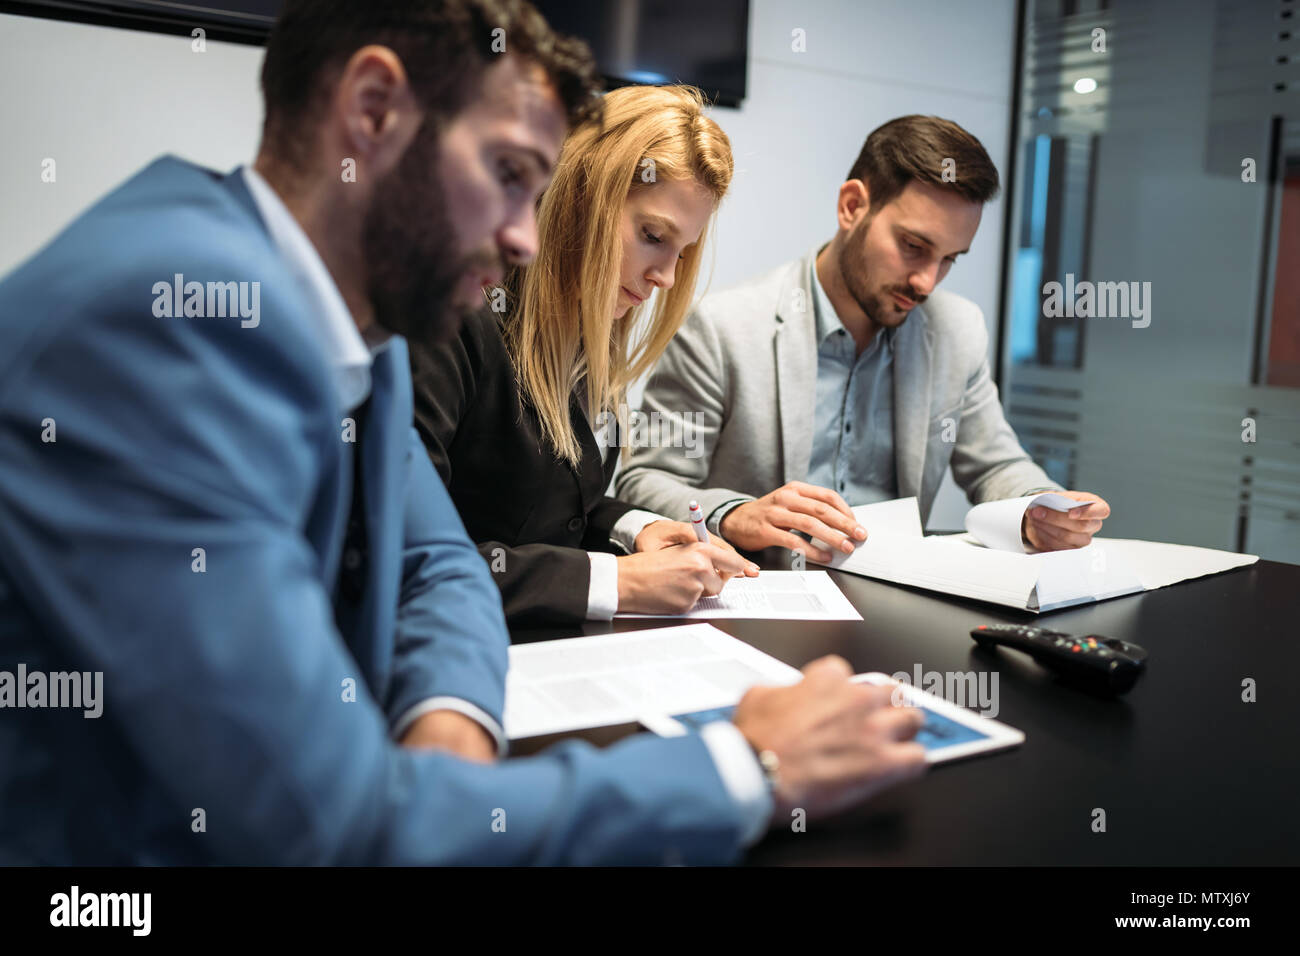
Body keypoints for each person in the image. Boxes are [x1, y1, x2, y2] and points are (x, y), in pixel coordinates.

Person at [0, 0, 925, 865]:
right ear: (372, 111)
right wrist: (743, 768)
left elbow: (433, 562)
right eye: (510, 175)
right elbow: (338, 826)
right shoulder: (164, 328)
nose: (527, 240)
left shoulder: (361, 315)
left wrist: (450, 721)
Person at [616, 115, 1111, 562]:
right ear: (852, 206)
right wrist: (734, 514)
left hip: (900, 600)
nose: (927, 282)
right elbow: (645, 481)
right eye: (914, 247)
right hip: (763, 600)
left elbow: (996, 465)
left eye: (949, 259)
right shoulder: (723, 327)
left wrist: (1048, 509)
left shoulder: (956, 331)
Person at [410, 84, 757, 625]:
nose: (665, 277)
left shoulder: (587, 329)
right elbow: (406, 561)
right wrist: (613, 580)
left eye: (681, 252)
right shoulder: (446, 315)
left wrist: (635, 528)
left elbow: (553, 509)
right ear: (580, 197)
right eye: (651, 235)